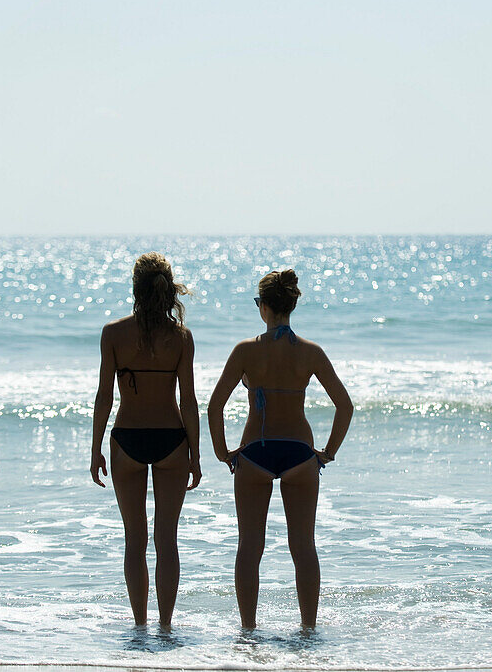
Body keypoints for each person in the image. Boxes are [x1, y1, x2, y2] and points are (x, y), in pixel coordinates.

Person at [207, 269, 353, 629]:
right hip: (301, 456)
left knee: (249, 548)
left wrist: (223, 452)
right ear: (290, 306)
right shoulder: (310, 352)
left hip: (255, 453)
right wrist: (328, 452)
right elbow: (345, 406)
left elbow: (214, 406)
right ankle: (307, 630)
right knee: (303, 547)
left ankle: (248, 630)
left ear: (265, 307)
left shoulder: (245, 351)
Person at [91, 252, 201, 627]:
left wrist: (94, 450)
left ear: (135, 289)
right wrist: (196, 455)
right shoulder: (181, 338)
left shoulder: (113, 334)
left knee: (135, 540)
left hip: (127, 441)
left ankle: (140, 627)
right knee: (166, 540)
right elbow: (188, 400)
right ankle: (166, 627)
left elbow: (104, 397)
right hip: (172, 440)